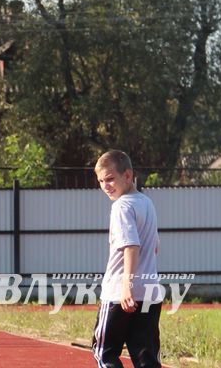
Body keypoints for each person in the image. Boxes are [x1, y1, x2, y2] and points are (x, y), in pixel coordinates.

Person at [92, 150, 162, 368]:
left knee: (105, 352)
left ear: (128, 175)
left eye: (110, 178)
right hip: (149, 291)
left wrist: (127, 286)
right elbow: (155, 247)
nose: (106, 185)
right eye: (101, 181)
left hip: (119, 294)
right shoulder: (146, 203)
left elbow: (131, 246)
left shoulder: (121, 206)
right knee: (145, 355)